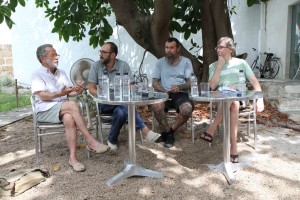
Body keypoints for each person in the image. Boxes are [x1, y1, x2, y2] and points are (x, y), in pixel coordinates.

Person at [31, 44, 109, 172]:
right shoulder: (37, 74)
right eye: (53, 55)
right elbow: (43, 96)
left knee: (69, 119)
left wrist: (77, 90)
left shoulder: (61, 73)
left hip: (63, 109)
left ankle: (73, 159)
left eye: (57, 54)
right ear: (43, 59)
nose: (57, 57)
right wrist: (59, 94)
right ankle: (91, 141)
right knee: (72, 105)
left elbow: (68, 92)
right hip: (45, 110)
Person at [200, 37, 264, 163]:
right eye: (217, 47)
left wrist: (260, 99)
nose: (218, 50)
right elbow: (212, 86)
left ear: (230, 49)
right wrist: (219, 66)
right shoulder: (214, 65)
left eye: (221, 47)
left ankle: (211, 129)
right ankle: (234, 148)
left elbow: (254, 81)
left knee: (233, 100)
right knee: (232, 102)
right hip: (221, 99)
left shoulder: (241, 63)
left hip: (241, 97)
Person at [88, 42, 160, 150]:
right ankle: (145, 131)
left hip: (121, 102)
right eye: (100, 51)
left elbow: (131, 87)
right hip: (105, 103)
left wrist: (129, 91)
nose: (100, 54)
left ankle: (111, 140)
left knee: (121, 112)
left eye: (103, 52)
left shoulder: (123, 66)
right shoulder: (96, 66)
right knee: (125, 105)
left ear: (113, 55)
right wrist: (100, 95)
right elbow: (91, 88)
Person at [151, 37, 194, 148]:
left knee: (187, 109)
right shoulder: (160, 63)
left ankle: (170, 132)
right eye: (167, 48)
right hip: (164, 93)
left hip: (180, 93)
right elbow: (154, 82)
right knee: (156, 106)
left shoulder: (186, 62)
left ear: (178, 48)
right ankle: (167, 133)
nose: (169, 50)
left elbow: (190, 83)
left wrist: (180, 87)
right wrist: (162, 90)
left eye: (171, 48)